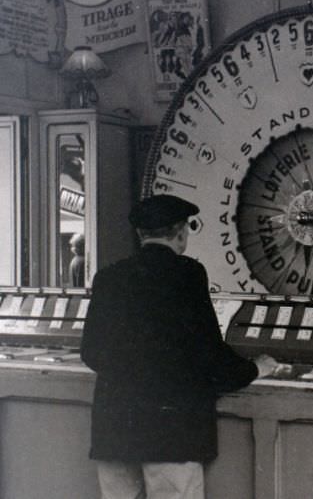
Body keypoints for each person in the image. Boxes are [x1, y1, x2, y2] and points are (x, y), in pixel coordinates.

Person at [80, 195, 279, 499]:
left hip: (116, 426)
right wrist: (255, 368)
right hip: (171, 430)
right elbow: (208, 353)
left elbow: (91, 352)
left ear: (139, 234)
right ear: (181, 233)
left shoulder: (108, 278)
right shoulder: (188, 274)